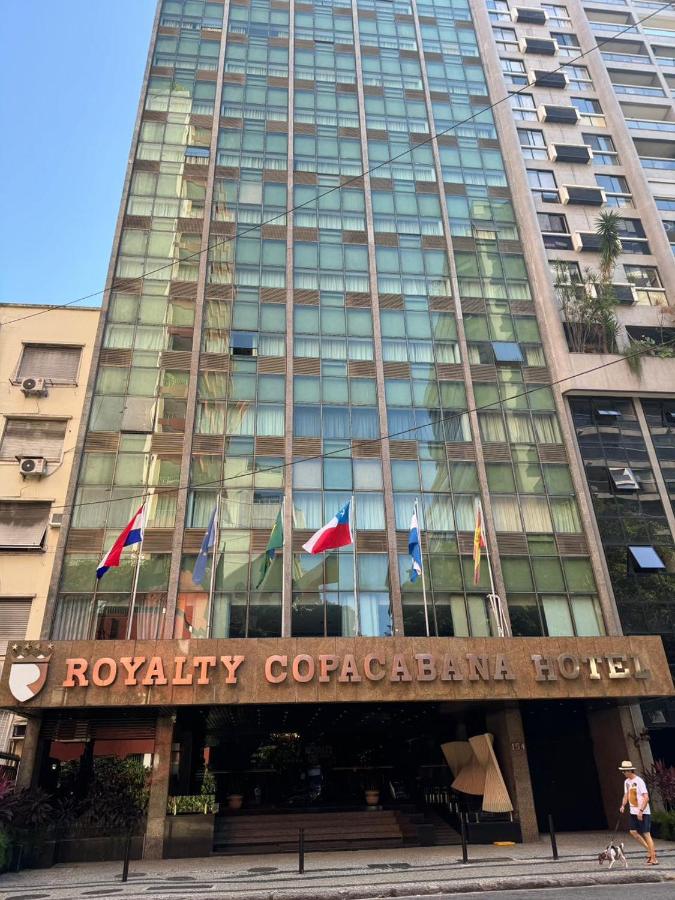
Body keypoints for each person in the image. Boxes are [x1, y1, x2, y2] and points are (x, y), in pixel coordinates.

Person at [619, 760, 658, 865]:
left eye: (624, 771)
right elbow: (626, 795)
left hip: (643, 812)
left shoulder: (639, 781)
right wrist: (623, 805)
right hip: (633, 811)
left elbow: (646, 797)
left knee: (646, 834)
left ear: (629, 770)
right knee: (633, 832)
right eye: (622, 771)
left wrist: (641, 811)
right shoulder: (626, 782)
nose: (623, 773)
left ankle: (654, 859)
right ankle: (650, 850)